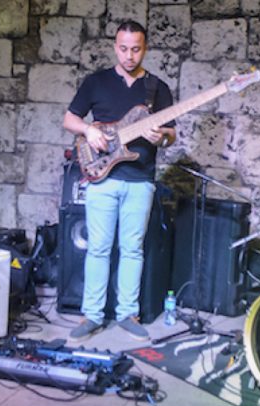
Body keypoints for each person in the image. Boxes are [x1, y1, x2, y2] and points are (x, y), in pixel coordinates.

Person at [62, 20, 176, 341]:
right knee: (98, 248)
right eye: (124, 49)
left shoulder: (158, 88)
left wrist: (161, 136)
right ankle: (92, 315)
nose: (129, 55)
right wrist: (89, 130)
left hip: (141, 180)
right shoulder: (96, 82)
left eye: (136, 49)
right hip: (102, 177)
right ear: (115, 47)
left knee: (132, 250)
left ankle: (128, 313)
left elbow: (171, 136)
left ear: (145, 48)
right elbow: (69, 119)